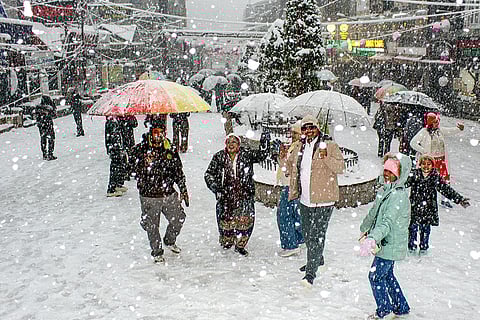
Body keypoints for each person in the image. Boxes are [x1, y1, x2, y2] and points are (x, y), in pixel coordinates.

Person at [286, 114, 344, 287]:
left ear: (318, 128)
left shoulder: (330, 146)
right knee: (308, 233)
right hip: (305, 199)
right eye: (305, 128)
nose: (309, 131)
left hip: (324, 200)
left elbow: (340, 167)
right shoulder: (298, 147)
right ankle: (317, 258)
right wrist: (284, 156)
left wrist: (326, 156)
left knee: (317, 234)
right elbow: (290, 168)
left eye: (312, 127)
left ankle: (311, 273)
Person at [359, 153, 411, 319]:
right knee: (386, 275)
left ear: (400, 174)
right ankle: (401, 307)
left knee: (375, 276)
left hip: (390, 243)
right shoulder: (386, 190)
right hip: (386, 242)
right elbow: (374, 213)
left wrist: (373, 237)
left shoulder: (398, 196)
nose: (387, 174)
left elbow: (387, 223)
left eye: (392, 171)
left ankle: (385, 311)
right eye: (385, 170)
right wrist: (364, 228)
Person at [130, 125, 189, 263]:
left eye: (161, 132)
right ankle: (156, 251)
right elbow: (130, 171)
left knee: (179, 218)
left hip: (168, 193)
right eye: (156, 132)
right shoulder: (140, 149)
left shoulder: (170, 148)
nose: (159, 135)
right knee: (152, 226)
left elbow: (178, 171)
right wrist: (143, 164)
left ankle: (169, 240)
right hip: (148, 195)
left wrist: (183, 188)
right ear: (151, 133)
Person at [204, 132, 270, 256]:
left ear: (239, 144)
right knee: (225, 219)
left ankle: (240, 244)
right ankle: (227, 240)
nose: (231, 145)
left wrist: (264, 143)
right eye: (228, 142)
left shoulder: (246, 154)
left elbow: (262, 155)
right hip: (225, 195)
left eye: (234, 142)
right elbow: (208, 174)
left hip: (244, 193)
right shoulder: (219, 157)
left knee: (244, 220)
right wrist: (216, 188)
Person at [406, 154, 470, 255]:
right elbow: (403, 183)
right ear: (420, 164)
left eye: (428, 164)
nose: (426, 166)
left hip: (428, 209)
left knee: (425, 229)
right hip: (415, 207)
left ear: (432, 165)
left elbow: (446, 189)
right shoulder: (415, 175)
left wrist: (459, 199)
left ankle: (423, 248)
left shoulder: (435, 177)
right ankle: (411, 247)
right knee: (413, 228)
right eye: (423, 164)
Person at [410, 112, 464, 208]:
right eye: (435, 122)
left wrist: (459, 129)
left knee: (445, 179)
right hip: (430, 161)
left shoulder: (439, 130)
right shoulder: (424, 132)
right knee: (427, 179)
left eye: (437, 121)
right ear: (430, 122)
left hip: (441, 160)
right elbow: (413, 143)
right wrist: (424, 151)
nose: (437, 123)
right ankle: (424, 198)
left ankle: (445, 200)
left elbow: (449, 131)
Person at [275, 120, 304, 257]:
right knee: (295, 215)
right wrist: (282, 157)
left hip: (291, 186)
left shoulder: (299, 147)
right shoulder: (295, 146)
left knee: (284, 215)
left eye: (295, 133)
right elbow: (286, 167)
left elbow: (292, 169)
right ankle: (299, 240)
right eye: (292, 132)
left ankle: (291, 244)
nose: (292, 135)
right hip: (291, 185)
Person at [105, 116, 127, 197]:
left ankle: (118, 184)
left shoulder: (115, 121)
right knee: (115, 167)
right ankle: (112, 188)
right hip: (115, 149)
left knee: (120, 165)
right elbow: (112, 137)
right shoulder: (111, 122)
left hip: (117, 148)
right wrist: (116, 148)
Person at [35, 95, 57, 160]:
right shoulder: (49, 108)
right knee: (51, 138)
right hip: (48, 123)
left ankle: (44, 154)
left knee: (43, 138)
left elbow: (36, 116)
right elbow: (54, 114)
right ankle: (50, 154)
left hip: (41, 124)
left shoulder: (38, 107)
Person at [118, 115, 138, 180]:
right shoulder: (118, 117)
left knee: (131, 155)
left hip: (129, 138)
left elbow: (135, 124)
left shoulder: (129, 115)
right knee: (123, 157)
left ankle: (131, 170)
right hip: (122, 138)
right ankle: (126, 172)